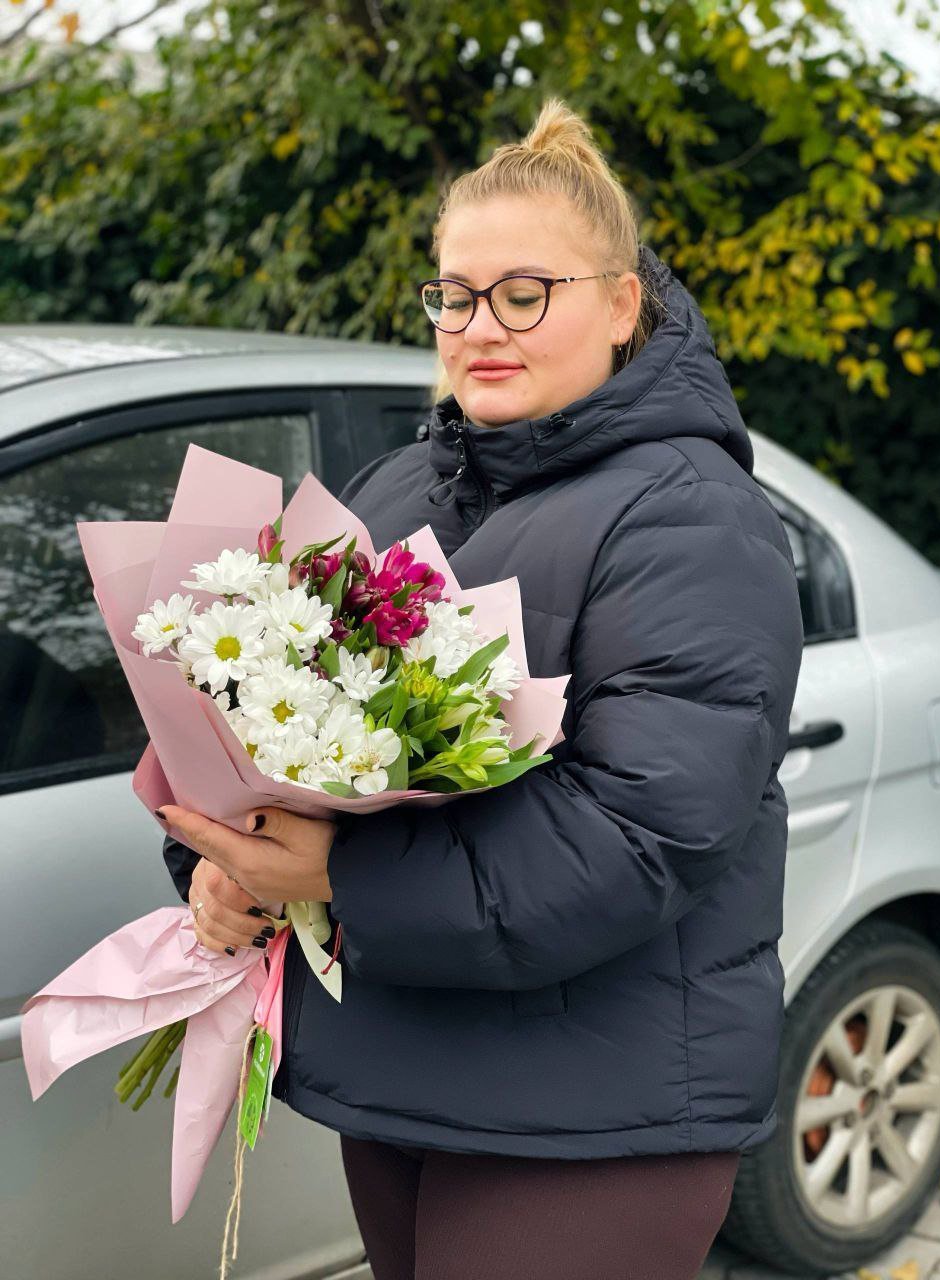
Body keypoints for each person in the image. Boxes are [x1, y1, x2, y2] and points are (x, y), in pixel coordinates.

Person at [157, 97, 804, 1280]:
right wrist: (230, 862)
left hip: (596, 1110)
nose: (479, 328)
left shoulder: (694, 518)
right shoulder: (397, 485)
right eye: (454, 296)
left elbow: (639, 835)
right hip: (411, 1070)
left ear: (622, 304)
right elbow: (276, 722)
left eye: (524, 293)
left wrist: (342, 875)